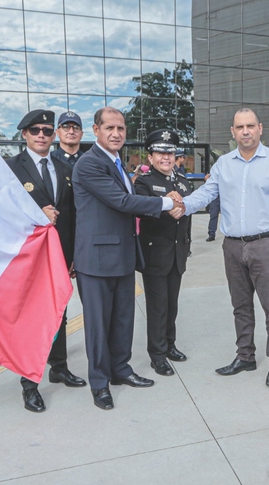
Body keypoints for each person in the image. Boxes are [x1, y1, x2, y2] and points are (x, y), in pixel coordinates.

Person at [180, 108, 269, 387]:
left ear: (261, 128)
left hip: (266, 245)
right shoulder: (223, 164)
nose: (245, 131)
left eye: (250, 126)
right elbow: (207, 194)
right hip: (233, 247)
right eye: (239, 127)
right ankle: (245, 356)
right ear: (232, 132)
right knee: (241, 306)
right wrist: (182, 205)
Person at [72, 107, 182, 410]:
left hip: (122, 255)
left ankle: (121, 370)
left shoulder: (117, 162)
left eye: (121, 128)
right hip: (95, 259)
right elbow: (121, 201)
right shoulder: (90, 164)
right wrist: (164, 201)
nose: (116, 133)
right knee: (97, 325)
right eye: (110, 128)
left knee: (123, 319)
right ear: (96, 130)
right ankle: (99, 383)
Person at [5, 109, 86, 413]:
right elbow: (0, 212)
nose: (42, 135)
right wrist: (36, 216)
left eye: (47, 131)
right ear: (24, 134)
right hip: (25, 257)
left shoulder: (64, 166)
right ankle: (29, 384)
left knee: (59, 312)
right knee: (30, 319)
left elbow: (74, 214)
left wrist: (74, 254)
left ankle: (59, 366)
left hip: (59, 255)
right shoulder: (10, 168)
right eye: (35, 130)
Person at [134, 129, 192, 376]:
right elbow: (141, 210)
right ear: (150, 157)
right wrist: (166, 206)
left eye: (169, 152)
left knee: (172, 304)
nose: (166, 157)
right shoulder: (145, 183)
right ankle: (157, 355)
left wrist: (182, 207)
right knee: (157, 307)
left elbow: (190, 208)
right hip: (156, 254)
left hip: (177, 253)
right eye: (160, 152)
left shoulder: (184, 182)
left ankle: (169, 345)